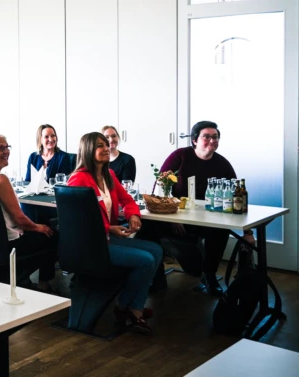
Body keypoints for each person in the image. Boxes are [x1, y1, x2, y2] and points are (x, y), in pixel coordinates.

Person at [67, 133, 163, 334]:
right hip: (92, 246)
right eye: (100, 146)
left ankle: (127, 306)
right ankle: (131, 308)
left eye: (106, 145)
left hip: (108, 239)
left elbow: (128, 200)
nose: (106, 148)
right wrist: (108, 228)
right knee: (146, 260)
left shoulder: (108, 175)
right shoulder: (78, 180)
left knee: (156, 250)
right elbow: (78, 222)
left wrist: (133, 216)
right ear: (88, 151)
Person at [143, 120, 236, 296]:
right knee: (147, 227)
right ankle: (157, 277)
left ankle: (209, 275)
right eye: (206, 136)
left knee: (220, 231)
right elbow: (160, 186)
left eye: (215, 137)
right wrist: (173, 218)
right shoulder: (180, 156)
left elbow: (233, 190)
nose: (211, 140)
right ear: (194, 140)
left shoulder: (222, 163)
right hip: (175, 214)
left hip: (206, 217)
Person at [0, 134, 58, 292]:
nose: (6, 151)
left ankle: (24, 280)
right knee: (54, 234)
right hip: (12, 244)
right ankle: (43, 285)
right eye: (0, 148)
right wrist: (38, 228)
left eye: (7, 147)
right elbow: (19, 219)